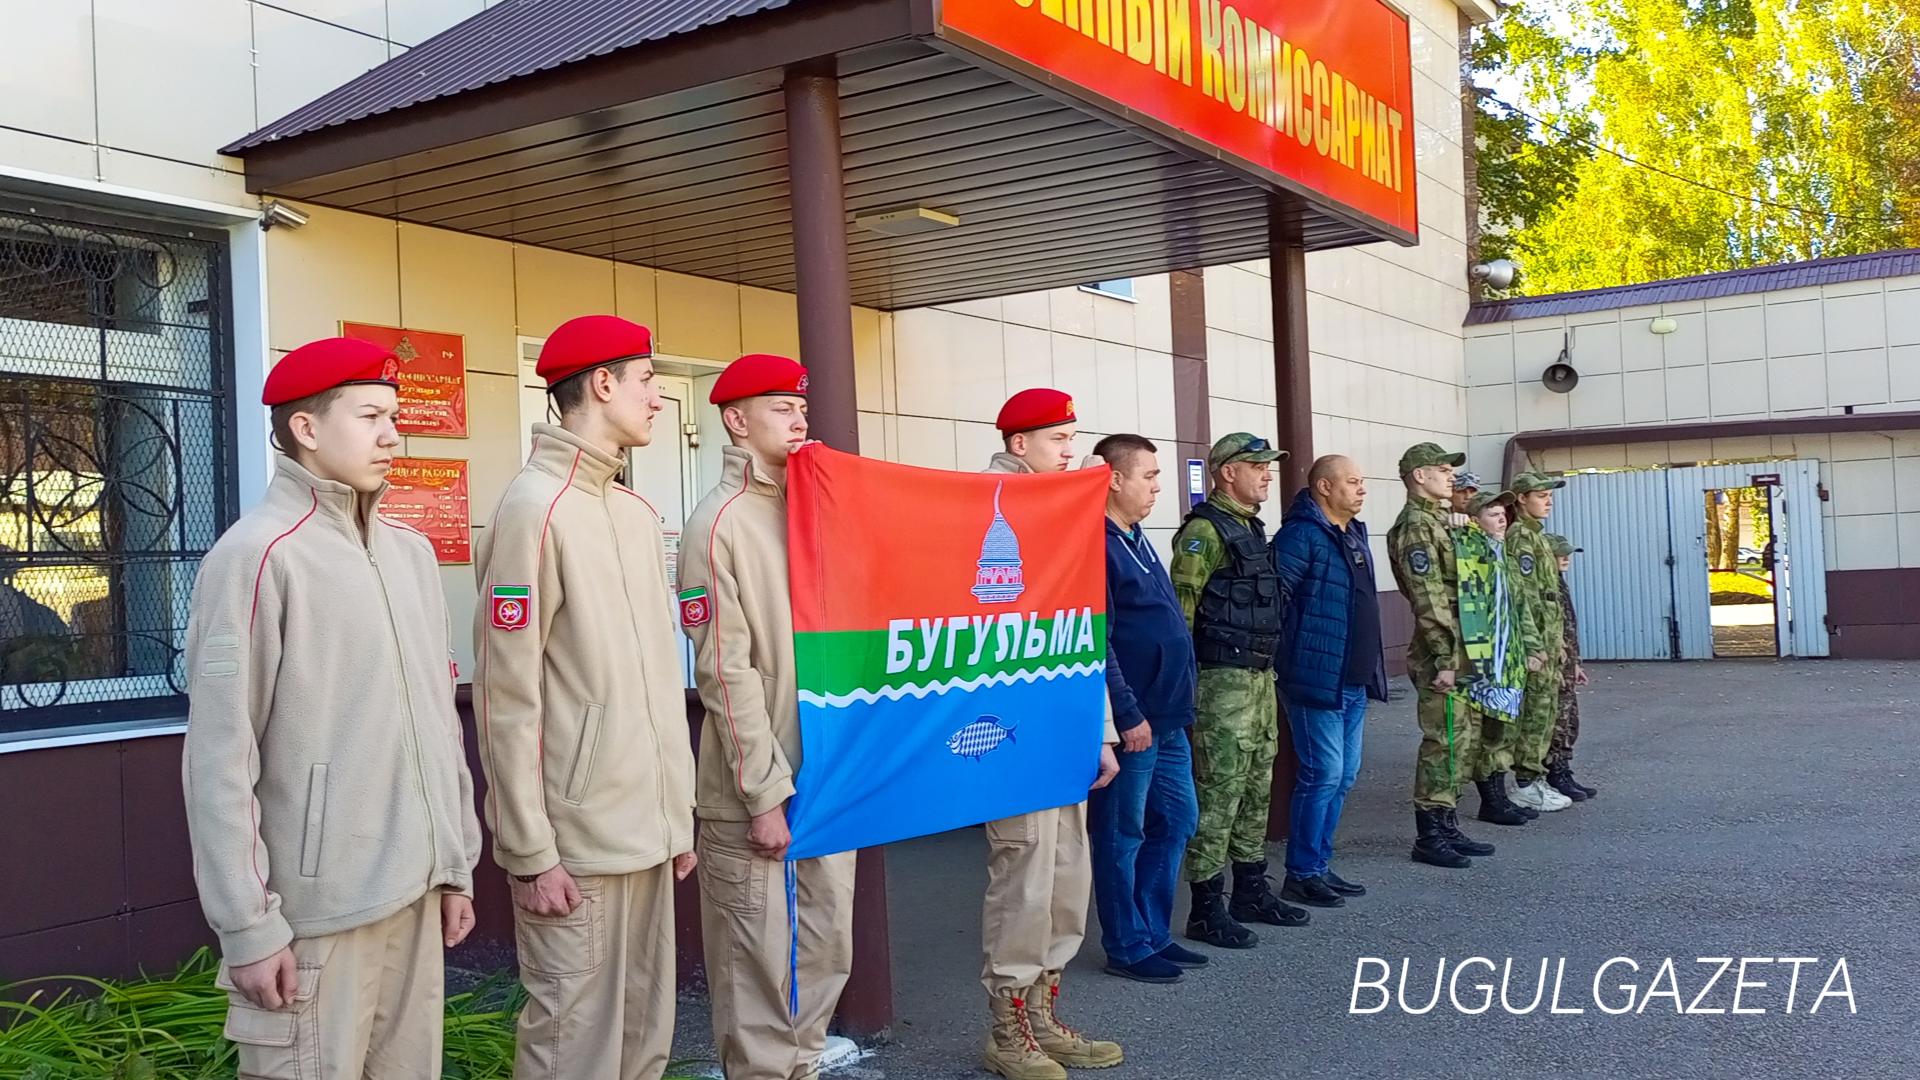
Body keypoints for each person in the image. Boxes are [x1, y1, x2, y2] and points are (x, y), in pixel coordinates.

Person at [183, 337, 482, 1080]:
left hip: (413, 901)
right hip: (313, 921)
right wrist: (250, 928)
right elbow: (221, 759)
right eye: (371, 416)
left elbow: (437, 727)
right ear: (307, 430)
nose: (392, 436)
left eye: (395, 416)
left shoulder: (410, 554)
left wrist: (453, 864)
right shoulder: (256, 556)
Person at [474, 315, 698, 1080]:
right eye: (647, 381)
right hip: (576, 841)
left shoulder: (635, 515)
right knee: (573, 1042)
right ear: (602, 384)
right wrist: (530, 850)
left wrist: (677, 818)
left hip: (647, 829)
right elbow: (510, 692)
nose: (659, 400)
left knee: (644, 1034)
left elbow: (654, 685)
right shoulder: (533, 507)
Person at [678, 354, 859, 1080]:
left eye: (801, 407)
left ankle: (804, 1067)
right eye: (781, 407)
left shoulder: (814, 513)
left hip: (826, 781)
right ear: (735, 420)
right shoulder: (718, 524)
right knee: (759, 980)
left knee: (823, 950)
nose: (799, 418)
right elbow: (725, 670)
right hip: (763, 792)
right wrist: (762, 791)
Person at [978, 387, 1123, 1080]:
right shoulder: (981, 513)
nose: (1073, 452)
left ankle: (1042, 1014)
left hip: (1062, 726)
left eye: (1074, 438)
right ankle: (1006, 1030)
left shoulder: (1063, 517)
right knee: (1026, 877)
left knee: (1067, 877)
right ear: (1018, 446)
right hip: (1010, 733)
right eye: (1060, 441)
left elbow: (1081, 635)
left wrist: (1100, 731)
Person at [1169, 432, 1309, 949]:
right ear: (1228, 472)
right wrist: (1182, 690)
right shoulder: (1204, 532)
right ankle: (1206, 908)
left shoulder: (1251, 528)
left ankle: (1250, 890)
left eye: (1269, 466)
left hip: (1257, 678)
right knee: (1220, 792)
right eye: (1258, 466)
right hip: (1220, 683)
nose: (1268, 474)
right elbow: (1181, 615)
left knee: (1255, 787)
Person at [1086, 434, 1204, 986]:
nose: (1159, 486)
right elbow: (1100, 640)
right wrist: (1126, 713)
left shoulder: (1136, 536)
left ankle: (1155, 931)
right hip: (1137, 720)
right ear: (1114, 478)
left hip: (1170, 715)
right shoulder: (1097, 543)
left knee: (1177, 820)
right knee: (1121, 832)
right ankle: (1127, 944)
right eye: (1149, 475)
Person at [1271, 454, 1388, 908]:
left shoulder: (1352, 533)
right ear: (1324, 486)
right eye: (1352, 482)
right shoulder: (1301, 535)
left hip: (1353, 679)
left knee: (1344, 776)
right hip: (1316, 678)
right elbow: (1277, 598)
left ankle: (1318, 865)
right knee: (1323, 774)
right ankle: (1301, 872)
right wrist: (1292, 659)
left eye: (1362, 482)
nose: (1361, 490)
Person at [1385, 443, 1495, 869]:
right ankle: (1429, 834)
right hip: (1441, 653)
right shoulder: (1416, 526)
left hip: (1462, 648)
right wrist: (1447, 657)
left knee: (1462, 740)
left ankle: (1447, 823)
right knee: (1444, 740)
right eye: (1443, 470)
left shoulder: (1440, 521)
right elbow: (1428, 596)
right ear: (1419, 476)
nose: (1451, 477)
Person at [1453, 490, 1543, 828]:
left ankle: (1499, 796)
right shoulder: (1469, 549)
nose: (1501, 518)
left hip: (1510, 657)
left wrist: (1533, 649)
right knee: (1486, 733)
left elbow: (1520, 608)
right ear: (1475, 521)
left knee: (1504, 731)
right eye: (1491, 514)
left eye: (1502, 512)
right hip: (1483, 660)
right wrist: (1456, 521)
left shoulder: (1503, 553)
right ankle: (1490, 801)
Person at [1503, 471, 1573, 814]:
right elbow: (1524, 598)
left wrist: (1557, 641)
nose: (1548, 500)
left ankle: (1536, 777)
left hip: (1548, 639)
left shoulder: (1539, 538)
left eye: (1549, 495)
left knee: (1545, 713)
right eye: (1540, 495)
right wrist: (1534, 645)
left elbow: (1550, 599)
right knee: (1532, 714)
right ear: (1521, 499)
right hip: (1534, 643)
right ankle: (1525, 783)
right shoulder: (1519, 538)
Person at [1545, 534, 1596, 801]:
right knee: (1555, 720)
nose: (1566, 558)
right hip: (1553, 662)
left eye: (1568, 553)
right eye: (1561, 553)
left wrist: (1575, 663)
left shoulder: (1559, 582)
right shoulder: (1545, 583)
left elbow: (1569, 628)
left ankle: (1563, 769)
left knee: (1568, 719)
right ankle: (1553, 772)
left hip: (1566, 662)